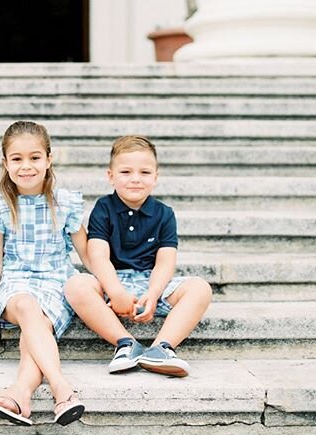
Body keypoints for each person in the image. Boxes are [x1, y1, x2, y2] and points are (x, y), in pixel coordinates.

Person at [0, 120, 88, 427]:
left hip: (55, 282)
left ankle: (20, 394)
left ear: (49, 159)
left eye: (35, 157)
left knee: (34, 328)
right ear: (5, 163)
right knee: (25, 306)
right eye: (17, 159)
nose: (26, 166)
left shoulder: (65, 202)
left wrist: (109, 289)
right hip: (15, 283)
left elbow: (87, 254)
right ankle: (61, 387)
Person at [65, 135, 212, 377]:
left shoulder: (164, 214)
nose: (135, 179)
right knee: (76, 285)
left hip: (150, 283)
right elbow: (98, 256)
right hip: (111, 282)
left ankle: (161, 348)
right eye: (126, 172)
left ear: (156, 177)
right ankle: (126, 344)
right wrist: (115, 292)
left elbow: (165, 261)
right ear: (110, 176)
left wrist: (153, 294)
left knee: (200, 288)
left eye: (144, 172)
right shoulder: (103, 208)